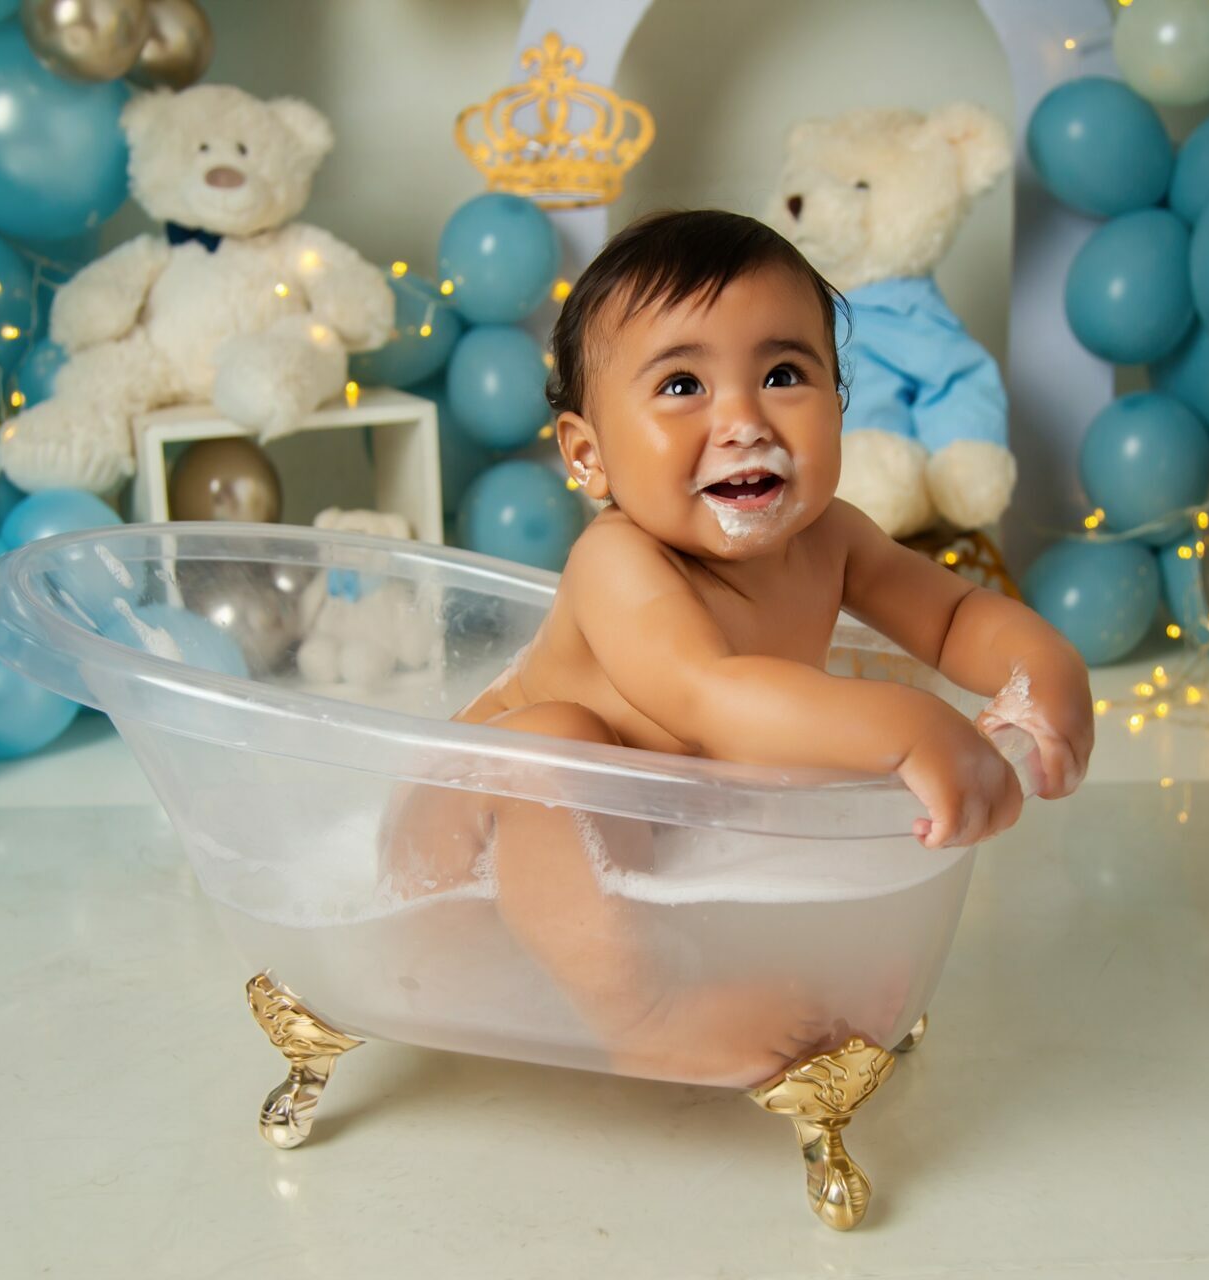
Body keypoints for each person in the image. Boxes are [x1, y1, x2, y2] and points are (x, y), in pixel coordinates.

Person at [380, 210, 1093, 1087]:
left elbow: (952, 617)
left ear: (838, 404)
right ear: (589, 456)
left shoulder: (833, 538)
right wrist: (911, 728)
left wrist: (1040, 669)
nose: (745, 422)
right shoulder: (618, 559)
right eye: (683, 385)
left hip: (637, 849)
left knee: (797, 774)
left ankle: (717, 970)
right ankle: (641, 1018)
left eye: (784, 375)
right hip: (468, 856)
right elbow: (709, 696)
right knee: (557, 743)